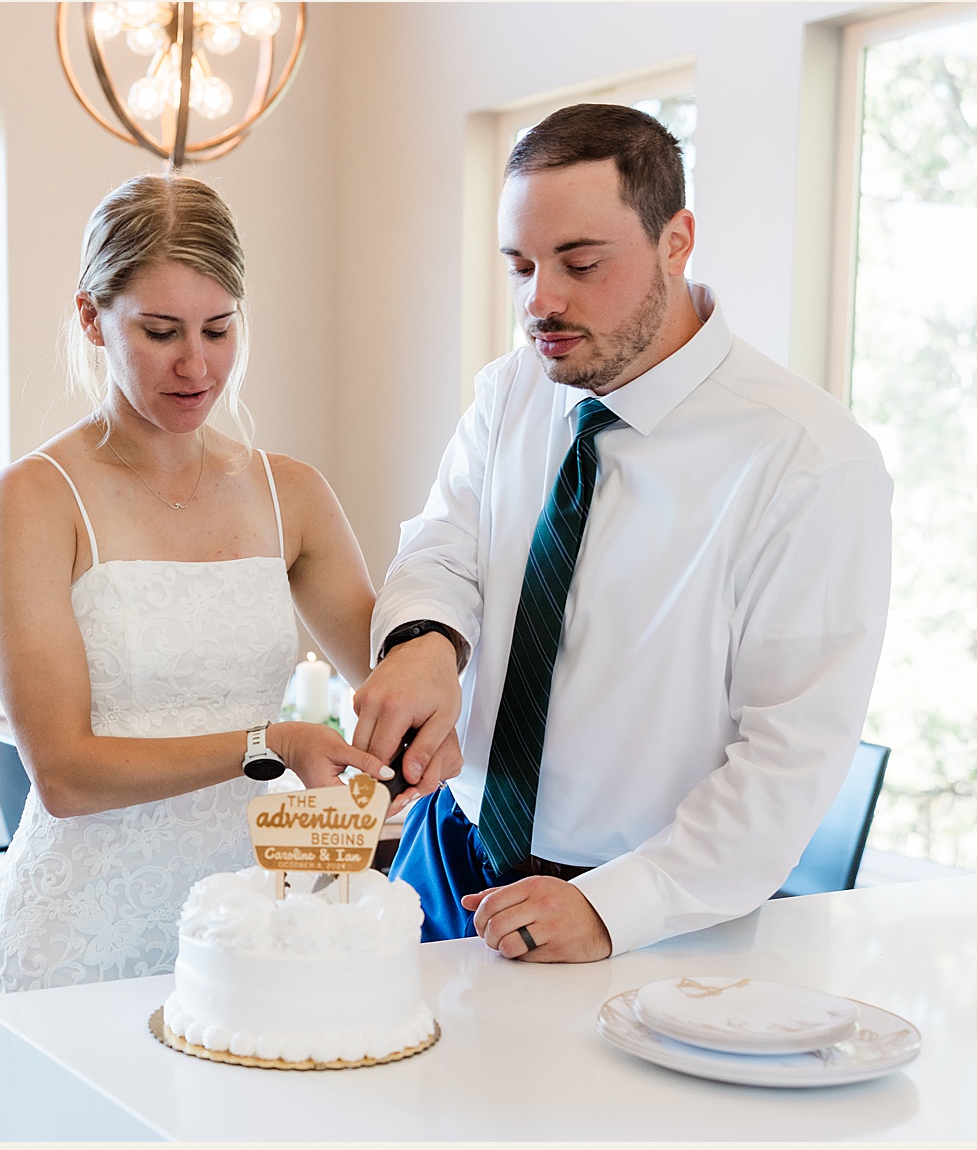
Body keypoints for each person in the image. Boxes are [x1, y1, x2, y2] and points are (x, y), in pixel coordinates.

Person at [350, 103, 892, 963]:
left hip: (640, 914)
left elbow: (790, 755)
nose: (542, 302)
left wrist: (616, 907)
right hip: (447, 859)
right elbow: (445, 543)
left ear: (675, 241)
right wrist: (425, 641)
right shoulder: (512, 392)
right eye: (520, 266)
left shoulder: (809, 460)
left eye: (580, 263)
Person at [0, 173, 393, 995]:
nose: (196, 365)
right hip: (82, 932)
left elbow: (390, 681)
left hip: (256, 922)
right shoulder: (34, 499)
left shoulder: (292, 493)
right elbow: (63, 776)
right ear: (93, 318)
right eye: (161, 331)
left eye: (219, 328)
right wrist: (266, 744)